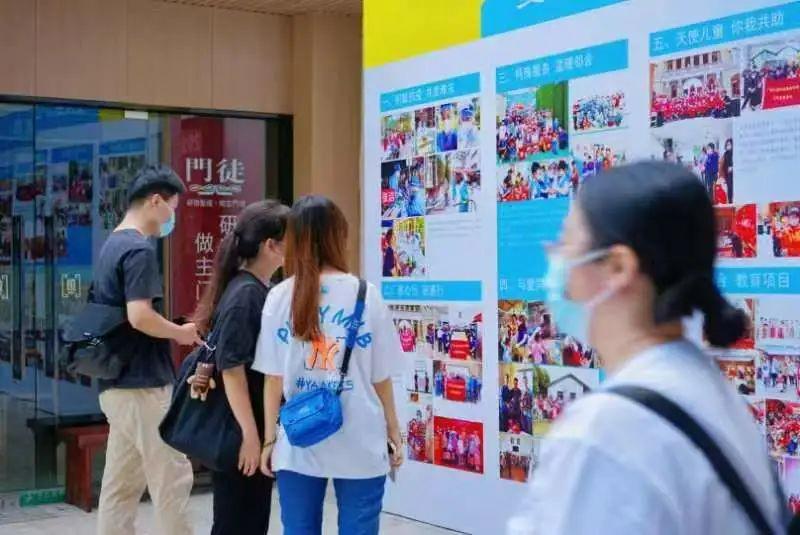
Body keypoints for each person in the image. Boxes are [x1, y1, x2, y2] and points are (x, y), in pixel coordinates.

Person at [507, 162, 785, 534]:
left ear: (618, 266)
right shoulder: (705, 387)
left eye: (567, 243)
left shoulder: (604, 432)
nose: (556, 263)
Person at [254, 196, 403, 535]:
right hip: (361, 440)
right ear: (339, 236)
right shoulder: (367, 295)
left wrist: (268, 440)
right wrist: (394, 430)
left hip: (300, 437)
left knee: (299, 529)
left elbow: (272, 378)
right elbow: (381, 377)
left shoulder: (279, 296)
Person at [95, 165, 200, 535]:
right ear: (155, 201)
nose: (174, 215)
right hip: (143, 384)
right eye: (173, 206)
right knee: (172, 478)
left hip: (116, 385)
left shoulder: (111, 245)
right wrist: (181, 333)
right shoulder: (139, 249)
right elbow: (140, 316)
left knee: (120, 487)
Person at [191, 200, 290, 534]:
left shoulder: (257, 289)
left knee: (249, 519)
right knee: (237, 522)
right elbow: (231, 370)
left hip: (247, 428)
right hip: (239, 432)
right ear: (271, 246)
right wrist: (252, 436)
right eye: (291, 239)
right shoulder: (246, 295)